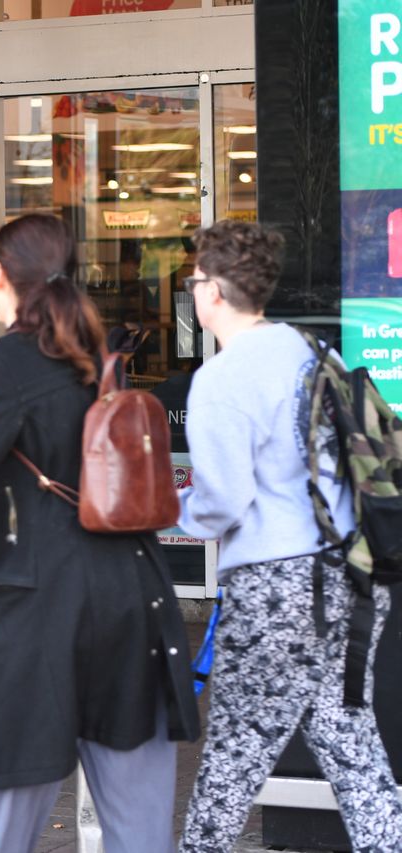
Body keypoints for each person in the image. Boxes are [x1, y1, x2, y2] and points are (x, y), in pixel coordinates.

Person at [0, 214, 199, 853]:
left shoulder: (9, 362)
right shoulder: (100, 355)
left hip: (45, 614)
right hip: (133, 602)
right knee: (138, 824)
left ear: (2, 277)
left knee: (1, 820)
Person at [176, 220, 402, 852]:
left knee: (233, 755)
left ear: (215, 290)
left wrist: (168, 514)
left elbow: (223, 502)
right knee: (350, 740)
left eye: (195, 280)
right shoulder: (311, 351)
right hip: (353, 573)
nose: (193, 291)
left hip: (279, 588)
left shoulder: (221, 379)